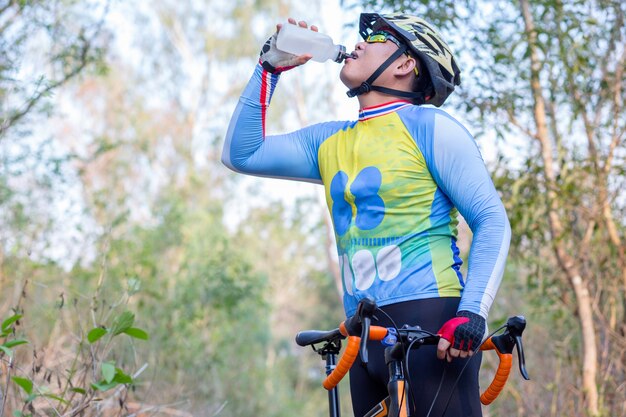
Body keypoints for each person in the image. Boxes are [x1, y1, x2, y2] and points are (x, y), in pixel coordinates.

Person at [222, 12, 510, 417]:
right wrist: (269, 69)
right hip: (363, 331)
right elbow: (242, 153)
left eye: (375, 37)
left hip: (432, 324)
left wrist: (472, 313)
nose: (358, 43)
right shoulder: (329, 140)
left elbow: (491, 220)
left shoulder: (429, 126)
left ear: (405, 64)